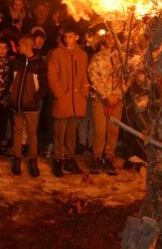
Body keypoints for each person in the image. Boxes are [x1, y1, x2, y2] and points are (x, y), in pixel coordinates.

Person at [47, 25, 89, 178]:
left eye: (70, 36)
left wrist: (84, 91)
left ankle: (69, 159)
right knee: (60, 132)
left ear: (77, 37)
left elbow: (84, 74)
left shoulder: (82, 55)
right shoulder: (56, 53)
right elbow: (51, 76)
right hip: (63, 99)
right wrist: (59, 93)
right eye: (65, 36)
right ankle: (58, 159)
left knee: (72, 133)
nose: (67, 39)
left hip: (76, 100)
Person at [88, 30, 131, 175]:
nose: (111, 40)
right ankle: (97, 158)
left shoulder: (122, 58)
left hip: (116, 101)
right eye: (108, 37)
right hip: (100, 100)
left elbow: (127, 78)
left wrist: (117, 95)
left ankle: (109, 158)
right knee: (100, 131)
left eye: (113, 37)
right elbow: (93, 77)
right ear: (104, 39)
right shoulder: (97, 58)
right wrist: (106, 95)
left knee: (113, 131)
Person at [8, 34, 48, 177]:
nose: (17, 48)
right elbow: (11, 81)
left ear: (26, 47)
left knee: (32, 132)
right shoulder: (17, 62)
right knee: (17, 131)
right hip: (17, 104)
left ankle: (33, 160)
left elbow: (44, 85)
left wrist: (35, 98)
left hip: (31, 105)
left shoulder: (39, 64)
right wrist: (11, 96)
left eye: (19, 46)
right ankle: (17, 159)